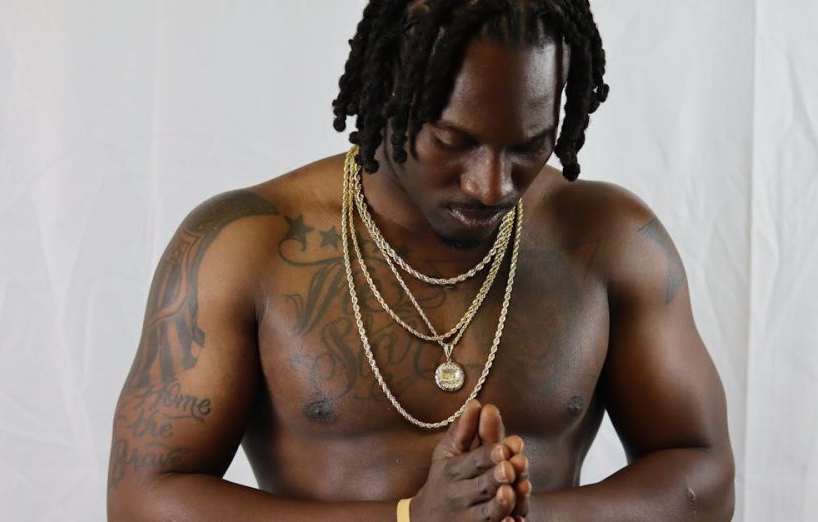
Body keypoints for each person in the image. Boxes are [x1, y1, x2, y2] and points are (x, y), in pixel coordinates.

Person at [106, 1, 735, 520]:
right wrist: (410, 517)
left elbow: (704, 474)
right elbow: (142, 499)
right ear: (389, 91)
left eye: (527, 147)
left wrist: (525, 515)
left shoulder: (613, 243)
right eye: (453, 141)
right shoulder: (244, 245)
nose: (491, 186)